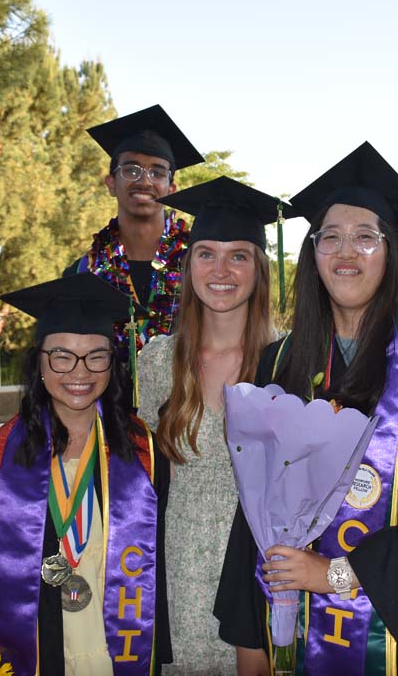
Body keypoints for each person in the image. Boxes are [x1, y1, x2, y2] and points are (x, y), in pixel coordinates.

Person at [215, 143, 398, 675]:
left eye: (366, 237)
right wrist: (250, 640)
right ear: (312, 253)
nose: (346, 252)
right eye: (330, 237)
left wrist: (337, 575)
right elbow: (253, 515)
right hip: (291, 636)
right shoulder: (278, 364)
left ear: (392, 253)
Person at [0, 274, 171, 676]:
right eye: (61, 355)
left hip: (119, 648)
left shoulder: (144, 455)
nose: (79, 371)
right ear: (38, 361)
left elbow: (159, 570)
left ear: (113, 363)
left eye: (96, 356)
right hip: (35, 654)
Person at [136, 177, 287, 674]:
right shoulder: (158, 364)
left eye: (238, 256)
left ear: (259, 269)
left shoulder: (288, 362)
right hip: (172, 576)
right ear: (188, 267)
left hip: (260, 577)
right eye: (206, 254)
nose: (220, 270)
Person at [64, 105, 205, 359]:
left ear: (171, 189)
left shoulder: (199, 266)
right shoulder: (83, 273)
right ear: (111, 184)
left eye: (157, 173)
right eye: (131, 170)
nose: (144, 181)